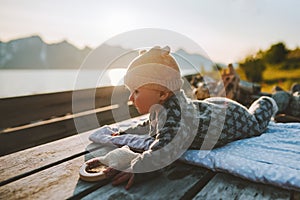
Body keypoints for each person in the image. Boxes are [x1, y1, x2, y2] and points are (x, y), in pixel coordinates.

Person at [88, 46, 278, 190]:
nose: (130, 98)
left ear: (162, 94)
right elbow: (149, 125)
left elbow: (164, 151)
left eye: (136, 91)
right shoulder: (160, 106)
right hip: (212, 108)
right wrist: (123, 132)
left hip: (236, 118)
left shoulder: (176, 119)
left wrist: (139, 167)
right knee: (205, 107)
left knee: (257, 122)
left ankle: (269, 101)